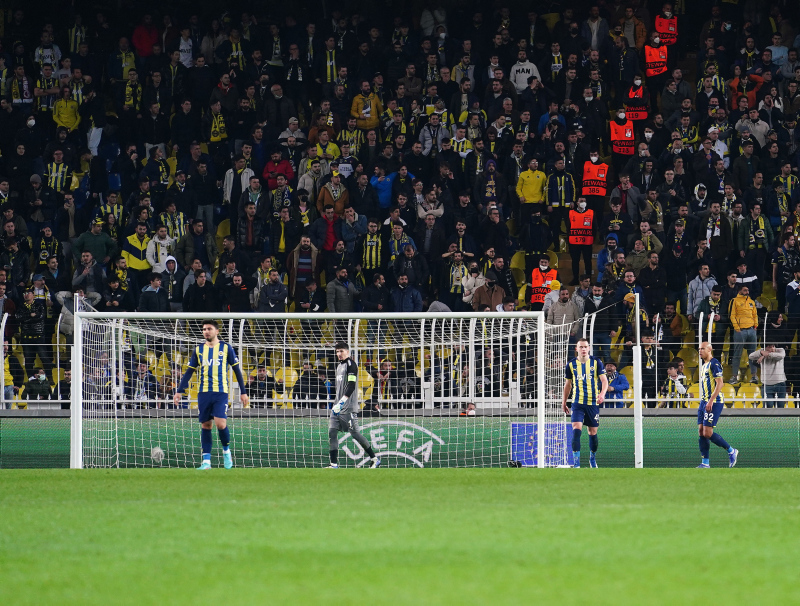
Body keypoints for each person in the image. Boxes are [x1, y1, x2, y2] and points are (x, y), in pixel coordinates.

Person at [174, 320, 250, 470]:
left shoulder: (226, 348)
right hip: (203, 393)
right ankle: (206, 462)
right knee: (206, 425)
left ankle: (226, 452)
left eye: (209, 329)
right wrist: (179, 390)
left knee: (221, 424)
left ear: (217, 331)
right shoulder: (198, 350)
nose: (206, 332)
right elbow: (189, 371)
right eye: (204, 329)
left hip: (220, 392)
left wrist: (243, 392)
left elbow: (236, 370)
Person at [327, 342, 381, 469]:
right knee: (332, 432)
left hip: (348, 407)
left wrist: (341, 402)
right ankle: (333, 464)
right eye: (337, 351)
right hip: (337, 407)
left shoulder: (351, 365)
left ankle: (374, 459)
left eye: (341, 351)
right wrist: (337, 403)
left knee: (355, 434)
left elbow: (351, 386)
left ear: (347, 351)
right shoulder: (338, 366)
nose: (339, 354)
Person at [561, 337, 608, 468]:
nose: (583, 349)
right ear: (576, 349)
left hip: (593, 403)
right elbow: (568, 385)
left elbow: (604, 380)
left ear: (588, 348)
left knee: (592, 432)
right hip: (577, 403)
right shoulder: (571, 364)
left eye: (585, 347)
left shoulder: (596, 362)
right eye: (580, 347)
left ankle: (592, 458)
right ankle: (576, 463)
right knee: (576, 429)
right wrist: (564, 402)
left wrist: (602, 393)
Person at [696, 341, 738, 469]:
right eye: (699, 349)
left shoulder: (714, 364)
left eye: (702, 349)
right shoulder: (704, 365)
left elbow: (720, 384)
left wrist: (711, 400)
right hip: (704, 401)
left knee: (708, 433)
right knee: (701, 432)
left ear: (709, 350)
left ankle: (731, 450)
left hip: (714, 402)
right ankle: (705, 463)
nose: (700, 351)